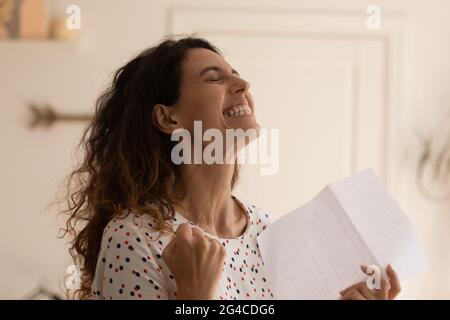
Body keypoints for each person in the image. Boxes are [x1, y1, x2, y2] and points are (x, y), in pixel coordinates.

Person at [61, 36, 401, 300]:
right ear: (168, 117)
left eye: (235, 76)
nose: (242, 85)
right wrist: (196, 296)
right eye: (214, 78)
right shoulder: (134, 237)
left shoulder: (267, 230)